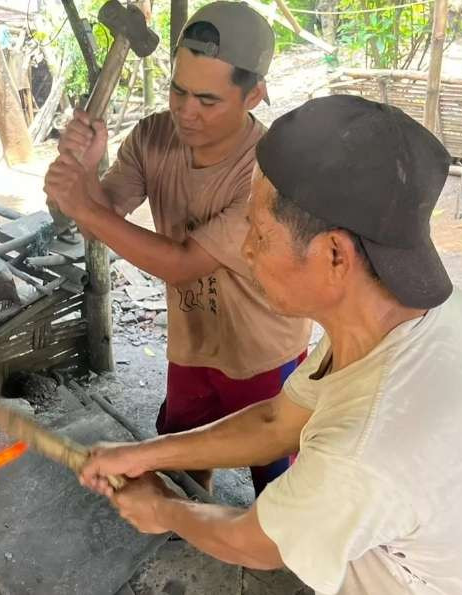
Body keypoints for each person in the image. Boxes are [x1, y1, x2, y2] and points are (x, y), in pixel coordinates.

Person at [79, 95, 462, 593]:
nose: (244, 249)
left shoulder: (368, 442)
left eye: (260, 234)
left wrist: (162, 510)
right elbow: (277, 421)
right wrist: (146, 456)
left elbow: (254, 543)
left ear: (335, 255)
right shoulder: (414, 315)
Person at [44, 1, 311, 495]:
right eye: (178, 90)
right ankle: (185, 536)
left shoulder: (268, 168)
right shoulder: (153, 137)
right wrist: (80, 169)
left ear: (253, 94)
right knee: (181, 468)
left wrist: (86, 207)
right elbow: (90, 218)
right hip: (192, 344)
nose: (186, 112)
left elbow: (185, 265)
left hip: (264, 352)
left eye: (208, 101)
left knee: (278, 489)